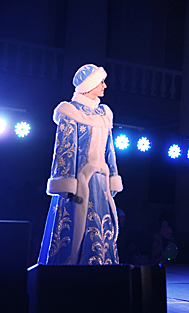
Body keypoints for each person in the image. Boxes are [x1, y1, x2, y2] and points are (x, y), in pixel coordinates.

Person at [37, 64, 123, 265]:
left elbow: (110, 151)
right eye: (101, 81)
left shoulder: (104, 114)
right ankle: (67, 273)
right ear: (89, 84)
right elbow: (65, 150)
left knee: (102, 229)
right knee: (74, 229)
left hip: (100, 183)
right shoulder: (70, 111)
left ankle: (102, 269)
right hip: (79, 184)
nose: (105, 86)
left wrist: (112, 178)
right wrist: (66, 183)